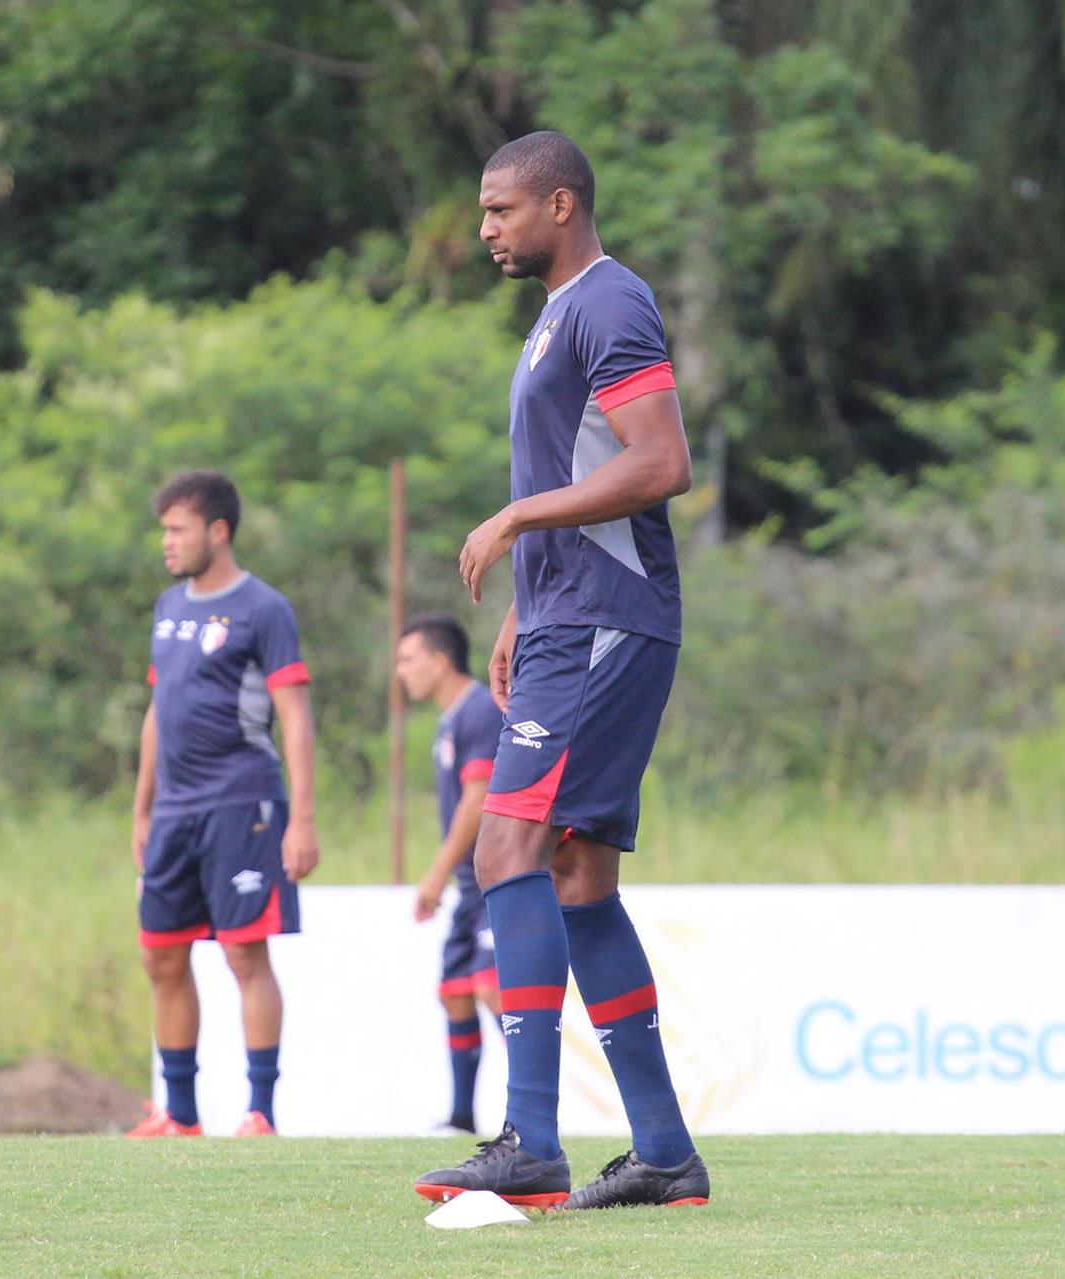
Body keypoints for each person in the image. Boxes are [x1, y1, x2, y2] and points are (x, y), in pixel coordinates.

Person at [413, 131, 709, 1210]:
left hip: (605, 622)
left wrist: (520, 516)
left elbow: (659, 461)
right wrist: (527, 609)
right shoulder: (556, 318)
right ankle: (666, 1153)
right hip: (567, 620)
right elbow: (587, 459)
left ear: (561, 205)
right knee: (576, 875)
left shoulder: (609, 301)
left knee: (508, 840)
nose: (486, 229)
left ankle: (529, 1139)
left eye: (501, 210)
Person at [126, 470, 320, 1138]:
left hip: (243, 803)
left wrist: (303, 816)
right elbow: (159, 710)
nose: (167, 543)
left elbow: (294, 717)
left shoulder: (264, 609)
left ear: (218, 530)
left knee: (244, 954)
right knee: (161, 952)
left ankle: (260, 1110)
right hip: (174, 812)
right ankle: (179, 1114)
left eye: (177, 529)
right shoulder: (167, 608)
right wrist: (142, 808)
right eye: (164, 531)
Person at [395, 612, 502, 1135]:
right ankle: (462, 1118)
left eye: (407, 659)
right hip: (470, 885)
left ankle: (532, 1114)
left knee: (495, 989)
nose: (400, 671)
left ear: (440, 662)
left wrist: (434, 876)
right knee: (457, 989)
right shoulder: (450, 717)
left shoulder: (480, 710)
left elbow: (478, 800)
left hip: (496, 877)